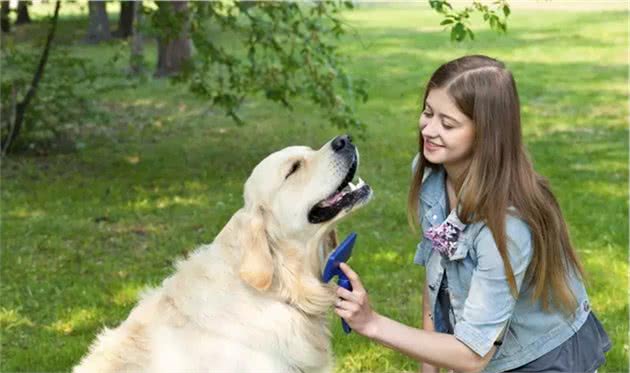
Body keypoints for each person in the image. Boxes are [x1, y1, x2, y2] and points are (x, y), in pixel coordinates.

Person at [335, 55, 611, 373]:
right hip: (485, 346)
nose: (429, 129)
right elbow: (435, 281)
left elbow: (471, 356)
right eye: (427, 112)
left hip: (542, 355)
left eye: (448, 123)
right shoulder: (431, 176)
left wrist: (372, 323)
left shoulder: (507, 225)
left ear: (486, 134)